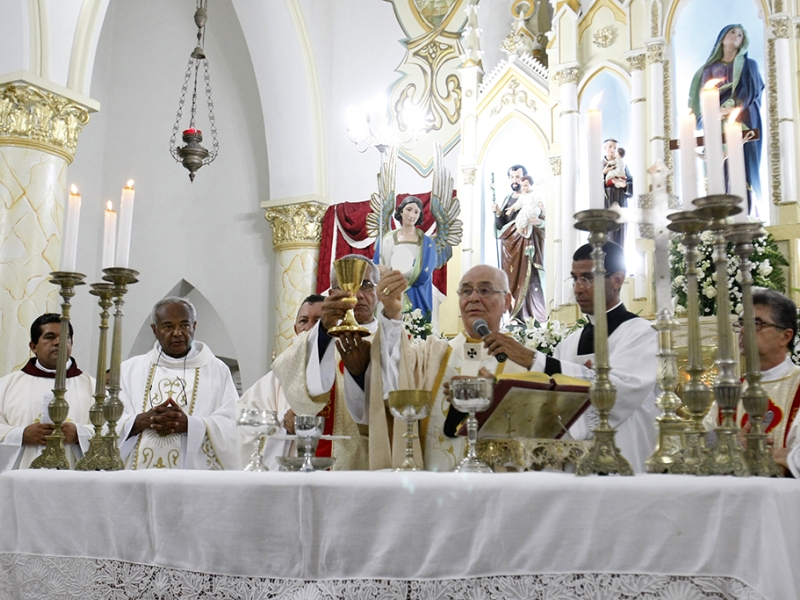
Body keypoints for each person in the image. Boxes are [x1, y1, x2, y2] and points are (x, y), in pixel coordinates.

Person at [272, 255, 388, 470]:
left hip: (376, 463)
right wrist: (325, 332)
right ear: (332, 295)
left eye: (366, 285)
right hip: (319, 463)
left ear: (378, 293)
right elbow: (297, 388)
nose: (357, 295)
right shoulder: (317, 340)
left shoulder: (394, 342)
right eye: (347, 287)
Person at [117, 297, 239, 470]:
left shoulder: (217, 370)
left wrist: (190, 425)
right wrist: (140, 421)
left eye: (184, 325)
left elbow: (232, 422)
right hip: (138, 475)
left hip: (194, 476)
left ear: (194, 326)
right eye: (168, 326)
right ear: (155, 330)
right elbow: (110, 421)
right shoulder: (130, 369)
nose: (177, 332)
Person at [704, 289, 800, 448]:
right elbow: (702, 442)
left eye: (755, 324)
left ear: (785, 336)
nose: (743, 331)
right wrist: (732, 445)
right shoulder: (732, 392)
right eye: (742, 323)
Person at [237, 295, 324, 469]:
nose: (309, 327)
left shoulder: (343, 369)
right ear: (295, 328)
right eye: (303, 321)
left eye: (318, 320)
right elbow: (242, 420)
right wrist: (283, 422)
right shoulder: (280, 375)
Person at [0, 314, 94, 471]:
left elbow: (112, 429)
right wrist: (21, 435)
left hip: (75, 479)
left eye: (65, 337)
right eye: (50, 337)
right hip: (21, 478)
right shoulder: (6, 386)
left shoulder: (92, 387)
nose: (58, 342)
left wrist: (79, 434)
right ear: (33, 346)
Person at [689, 24, 763, 214]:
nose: (736, 36)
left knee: (743, 168)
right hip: (716, 123)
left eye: (740, 34)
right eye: (732, 32)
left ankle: (744, 216)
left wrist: (736, 107)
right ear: (722, 38)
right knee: (719, 170)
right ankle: (720, 217)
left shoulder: (749, 65)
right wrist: (713, 112)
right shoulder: (709, 69)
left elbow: (753, 90)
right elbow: (703, 97)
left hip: (743, 120)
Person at [492, 164, 546, 323]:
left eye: (518, 177)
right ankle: (513, 316)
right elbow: (501, 225)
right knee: (510, 280)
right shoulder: (508, 199)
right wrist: (497, 213)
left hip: (527, 241)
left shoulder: (534, 197)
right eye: (512, 177)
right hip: (509, 247)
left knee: (529, 278)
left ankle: (530, 317)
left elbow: (544, 218)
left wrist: (539, 222)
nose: (515, 180)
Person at [374, 195, 436, 318]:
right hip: (390, 293)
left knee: (414, 330)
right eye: (409, 209)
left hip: (415, 295)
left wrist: (390, 271)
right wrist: (381, 271)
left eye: (416, 212)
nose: (412, 215)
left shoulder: (426, 243)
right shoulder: (387, 239)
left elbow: (423, 274)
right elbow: (377, 268)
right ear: (401, 211)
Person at [602, 139, 632, 247]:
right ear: (604, 148)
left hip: (621, 205)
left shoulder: (623, 165)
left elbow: (632, 185)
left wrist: (625, 185)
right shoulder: (599, 166)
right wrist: (603, 174)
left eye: (615, 148)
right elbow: (592, 186)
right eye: (610, 147)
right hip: (605, 207)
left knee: (620, 240)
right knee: (606, 239)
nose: (612, 150)